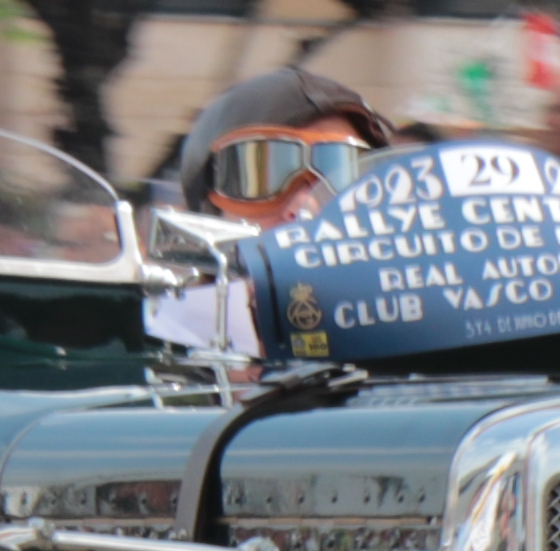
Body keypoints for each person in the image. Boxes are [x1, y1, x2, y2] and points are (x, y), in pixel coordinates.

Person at [151, 63, 397, 356]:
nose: (306, 207)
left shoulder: (421, 351)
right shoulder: (156, 359)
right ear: (207, 205)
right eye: (263, 174)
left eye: (342, 174)